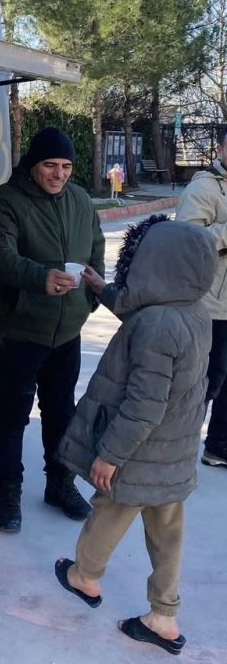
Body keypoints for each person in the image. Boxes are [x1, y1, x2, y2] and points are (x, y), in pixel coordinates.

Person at [54, 215, 216, 657]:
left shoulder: (155, 326)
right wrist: (101, 288)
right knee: (168, 532)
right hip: (175, 451)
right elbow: (145, 311)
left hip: (138, 453)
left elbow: (144, 404)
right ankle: (164, 613)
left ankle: (84, 577)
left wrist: (110, 454)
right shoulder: (193, 313)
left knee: (110, 510)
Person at [0, 127, 105, 533]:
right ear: (33, 165)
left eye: (66, 166)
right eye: (50, 165)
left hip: (67, 330)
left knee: (61, 411)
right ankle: (8, 491)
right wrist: (39, 278)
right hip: (20, 328)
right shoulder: (5, 202)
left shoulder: (81, 201)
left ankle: (60, 484)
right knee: (13, 413)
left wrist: (90, 297)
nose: (59, 174)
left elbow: (98, 248)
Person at [174, 136, 227, 469]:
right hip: (211, 305)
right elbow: (186, 242)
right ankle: (175, 449)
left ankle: (218, 446)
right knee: (204, 381)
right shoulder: (204, 189)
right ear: (221, 148)